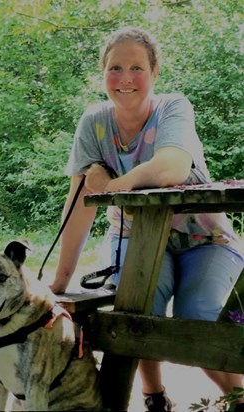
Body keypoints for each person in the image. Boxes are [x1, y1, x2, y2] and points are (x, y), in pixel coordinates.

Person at [50, 27, 244, 411]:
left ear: (155, 73)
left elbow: (172, 167)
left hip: (204, 241)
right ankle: (154, 396)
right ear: (102, 73)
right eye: (115, 67)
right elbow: (78, 202)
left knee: (199, 314)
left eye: (136, 68)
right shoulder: (94, 123)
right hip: (133, 236)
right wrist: (59, 281)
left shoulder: (173, 107)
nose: (125, 78)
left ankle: (239, 398)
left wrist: (114, 186)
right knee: (137, 309)